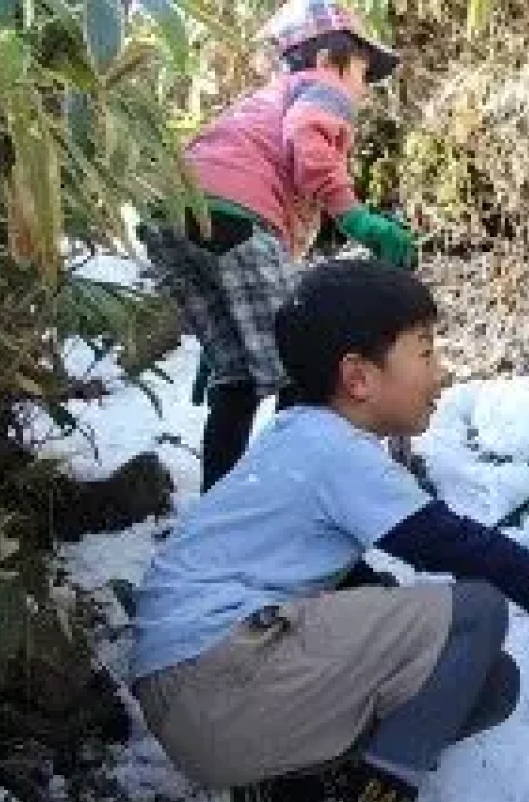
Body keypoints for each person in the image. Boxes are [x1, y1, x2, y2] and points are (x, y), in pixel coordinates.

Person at [130, 260, 529, 802]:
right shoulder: (336, 453)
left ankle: (285, 798)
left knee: (490, 685)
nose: (443, 373)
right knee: (478, 611)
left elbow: (328, 574)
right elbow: (467, 551)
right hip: (214, 676)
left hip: (202, 698)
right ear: (358, 376)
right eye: (426, 353)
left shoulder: (296, 440)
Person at [140, 0, 419, 492]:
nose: (364, 89)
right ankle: (290, 507)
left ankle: (219, 509)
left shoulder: (259, 104)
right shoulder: (322, 90)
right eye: (362, 71)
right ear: (328, 60)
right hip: (234, 216)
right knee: (304, 367)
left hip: (170, 215)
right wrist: (355, 218)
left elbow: (223, 181)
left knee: (237, 377)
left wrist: (229, 326)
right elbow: (307, 141)